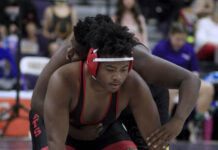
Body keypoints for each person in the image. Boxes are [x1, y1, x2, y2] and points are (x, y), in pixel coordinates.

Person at [30, 15, 201, 150]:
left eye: (76, 53)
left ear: (95, 52)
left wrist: (178, 120)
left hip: (129, 101)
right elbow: (37, 102)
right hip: (69, 114)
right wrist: (76, 133)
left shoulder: (135, 59)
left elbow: (190, 80)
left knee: (151, 144)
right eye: (111, 69)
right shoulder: (66, 59)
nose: (70, 54)